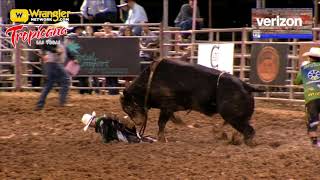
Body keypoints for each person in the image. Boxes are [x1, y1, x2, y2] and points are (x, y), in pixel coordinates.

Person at [35, 33, 70, 110]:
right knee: (66, 79)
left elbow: (44, 44)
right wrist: (55, 50)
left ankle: (40, 104)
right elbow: (46, 44)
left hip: (52, 63)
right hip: (53, 63)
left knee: (49, 84)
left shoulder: (59, 39)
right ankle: (62, 102)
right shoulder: (56, 38)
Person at [294, 47, 320, 147]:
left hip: (311, 98)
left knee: (312, 120)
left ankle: (315, 142)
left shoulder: (305, 68)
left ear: (310, 57)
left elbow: (297, 82)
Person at [81, 112, 156, 143]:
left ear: (91, 123)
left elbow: (106, 138)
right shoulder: (102, 120)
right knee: (137, 137)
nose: (91, 126)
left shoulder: (101, 123)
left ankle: (151, 141)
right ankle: (152, 139)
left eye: (90, 125)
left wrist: (105, 140)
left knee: (135, 140)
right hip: (124, 128)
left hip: (121, 132)